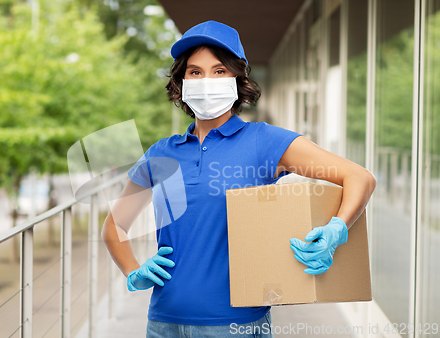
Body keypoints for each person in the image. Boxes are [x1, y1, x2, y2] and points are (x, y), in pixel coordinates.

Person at [101, 20, 376, 338]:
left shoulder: (265, 142)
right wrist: (134, 271)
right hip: (164, 323)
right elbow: (115, 225)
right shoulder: (162, 153)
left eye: (219, 71)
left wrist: (337, 228)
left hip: (237, 326)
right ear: (181, 82)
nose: (206, 80)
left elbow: (359, 177)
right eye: (195, 72)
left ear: (237, 79)